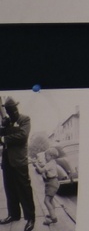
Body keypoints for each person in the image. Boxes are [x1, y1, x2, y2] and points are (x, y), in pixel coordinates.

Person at [0, 96, 35, 231]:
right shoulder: (7, 122)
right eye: (9, 111)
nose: (13, 112)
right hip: (7, 160)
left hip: (19, 161)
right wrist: (4, 125)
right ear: (7, 111)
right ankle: (13, 215)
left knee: (25, 190)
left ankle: (30, 218)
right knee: (10, 189)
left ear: (17, 108)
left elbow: (22, 136)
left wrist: (4, 138)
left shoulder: (24, 119)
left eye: (14, 109)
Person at [30, 153, 62, 226]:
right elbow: (44, 167)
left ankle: (53, 218)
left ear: (52, 156)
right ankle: (52, 214)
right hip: (54, 182)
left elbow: (41, 171)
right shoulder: (52, 162)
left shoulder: (50, 164)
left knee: (46, 201)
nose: (45, 157)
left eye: (46, 156)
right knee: (50, 200)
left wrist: (36, 165)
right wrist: (37, 164)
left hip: (51, 183)